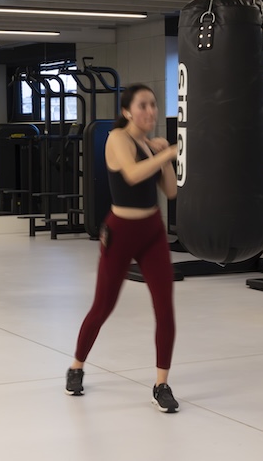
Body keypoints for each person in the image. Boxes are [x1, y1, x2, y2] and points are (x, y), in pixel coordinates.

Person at [66, 83, 181, 413]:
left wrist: (163, 158)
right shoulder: (117, 139)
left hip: (152, 231)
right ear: (127, 111)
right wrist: (166, 153)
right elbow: (130, 175)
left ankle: (161, 384)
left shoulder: (150, 144)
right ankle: (76, 366)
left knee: (165, 307)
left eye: (153, 105)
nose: (150, 111)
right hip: (122, 231)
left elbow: (171, 192)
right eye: (143, 105)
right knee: (103, 306)